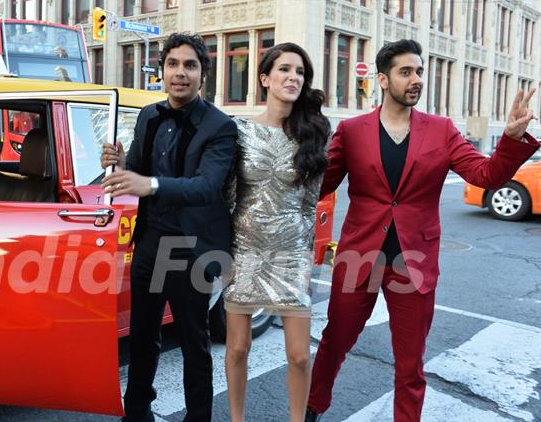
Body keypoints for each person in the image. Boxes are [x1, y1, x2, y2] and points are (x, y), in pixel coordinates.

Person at [305, 39, 539, 422]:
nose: (416, 80)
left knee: (410, 365)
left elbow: (487, 175)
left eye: (419, 72)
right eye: (405, 72)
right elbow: (319, 187)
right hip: (359, 256)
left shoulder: (442, 130)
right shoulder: (352, 131)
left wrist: (511, 140)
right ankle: (313, 408)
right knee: (334, 342)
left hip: (413, 264)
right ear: (382, 79)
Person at [100, 32, 237, 422]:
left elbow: (207, 187)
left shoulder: (220, 127)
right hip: (151, 241)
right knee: (142, 336)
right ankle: (137, 412)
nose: (180, 73)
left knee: (195, 344)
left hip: (194, 248)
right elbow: (140, 171)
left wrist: (151, 184)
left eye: (190, 65)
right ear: (161, 71)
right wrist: (123, 164)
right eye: (173, 64)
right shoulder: (149, 114)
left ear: (202, 75)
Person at [223, 43, 329, 422]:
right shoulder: (239, 130)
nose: (293, 77)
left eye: (300, 72)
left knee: (300, 356)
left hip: (291, 253)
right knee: (237, 348)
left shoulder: (313, 133)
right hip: (246, 252)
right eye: (284, 69)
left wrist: (303, 255)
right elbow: (228, 196)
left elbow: (309, 202)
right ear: (265, 79)